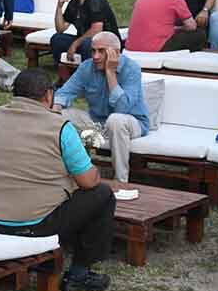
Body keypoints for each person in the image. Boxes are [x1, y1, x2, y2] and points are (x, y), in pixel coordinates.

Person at [0, 69, 116, 291]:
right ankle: (80, 273)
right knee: (102, 194)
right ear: (48, 95)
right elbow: (88, 181)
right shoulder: (59, 127)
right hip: (32, 224)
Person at [54, 31, 149, 184]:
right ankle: (75, 173)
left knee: (115, 120)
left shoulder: (131, 69)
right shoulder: (87, 67)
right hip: (97, 121)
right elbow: (65, 92)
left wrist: (110, 72)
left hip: (131, 122)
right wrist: (56, 108)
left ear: (115, 53)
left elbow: (122, 108)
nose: (95, 56)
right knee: (60, 115)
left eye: (101, 51)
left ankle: (120, 182)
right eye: (93, 51)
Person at [50, 0, 120, 64]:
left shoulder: (95, 0)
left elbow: (97, 29)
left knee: (88, 44)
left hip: (105, 44)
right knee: (57, 39)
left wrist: (75, 44)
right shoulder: (74, 3)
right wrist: (59, 6)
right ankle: (64, 74)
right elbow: (60, 29)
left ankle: (90, 75)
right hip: (85, 42)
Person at [125, 0, 197, 52]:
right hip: (155, 48)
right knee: (199, 35)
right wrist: (179, 28)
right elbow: (191, 27)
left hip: (132, 46)